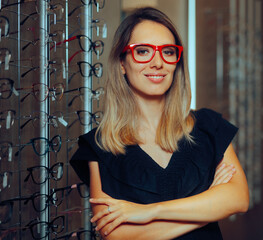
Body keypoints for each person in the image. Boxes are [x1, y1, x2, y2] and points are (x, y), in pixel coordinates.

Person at [70, 7, 249, 240]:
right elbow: (116, 235)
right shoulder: (100, 145)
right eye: (142, 51)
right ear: (122, 63)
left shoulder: (208, 127)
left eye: (168, 51)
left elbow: (238, 199)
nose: (158, 63)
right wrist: (208, 205)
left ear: (177, 62)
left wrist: (148, 212)